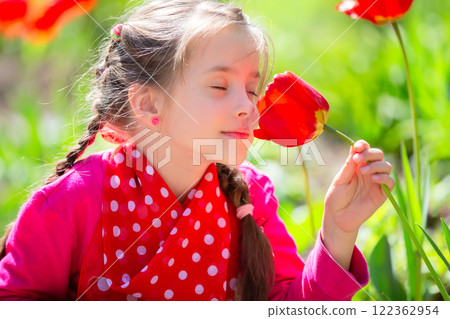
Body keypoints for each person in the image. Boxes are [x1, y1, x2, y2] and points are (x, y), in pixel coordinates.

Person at [0, 0, 394, 301]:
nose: (249, 107)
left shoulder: (251, 197)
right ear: (149, 105)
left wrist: (338, 232)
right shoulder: (75, 201)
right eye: (220, 86)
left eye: (252, 88)